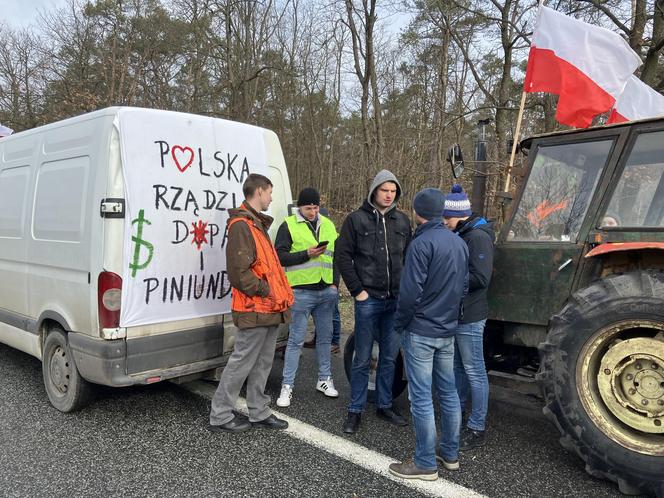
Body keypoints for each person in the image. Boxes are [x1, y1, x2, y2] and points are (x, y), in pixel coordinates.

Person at [389, 188, 469, 480]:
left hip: (421, 330)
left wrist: (401, 323)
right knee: (448, 393)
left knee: (421, 397)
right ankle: (450, 453)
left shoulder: (421, 244)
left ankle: (424, 462)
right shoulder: (458, 243)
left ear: (417, 212)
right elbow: (463, 288)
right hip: (447, 330)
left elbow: (410, 293)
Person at [209, 173, 293, 433]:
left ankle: (259, 411)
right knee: (242, 362)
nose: (271, 197)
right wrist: (267, 290)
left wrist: (275, 295)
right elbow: (239, 273)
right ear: (258, 191)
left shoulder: (256, 224)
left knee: (262, 362)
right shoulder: (242, 225)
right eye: (269, 192)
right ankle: (220, 415)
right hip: (254, 307)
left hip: (268, 307)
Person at [336, 169, 412, 434]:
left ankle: (385, 405)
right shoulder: (355, 221)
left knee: (390, 358)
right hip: (368, 299)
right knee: (362, 357)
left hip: (395, 301)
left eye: (393, 191)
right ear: (374, 191)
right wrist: (358, 290)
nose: (389, 195)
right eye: (385, 190)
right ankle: (355, 410)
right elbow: (342, 256)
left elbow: (409, 259)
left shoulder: (402, 222)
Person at [275, 188, 340, 408]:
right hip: (301, 291)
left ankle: (324, 379)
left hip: (326, 291)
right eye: (308, 208)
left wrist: (335, 284)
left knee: (325, 338)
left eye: (315, 207)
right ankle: (287, 386)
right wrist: (306, 254)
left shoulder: (329, 225)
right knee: (295, 341)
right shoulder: (289, 225)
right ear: (299, 207)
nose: (312, 212)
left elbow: (337, 255)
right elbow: (279, 257)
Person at [443, 184, 495, 451]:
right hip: (459, 314)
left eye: (447, 218)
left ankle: (477, 425)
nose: (444, 223)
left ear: (459, 216)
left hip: (471, 315)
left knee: (474, 370)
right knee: (457, 367)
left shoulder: (477, 237)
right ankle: (458, 411)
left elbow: (481, 277)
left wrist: (450, 281)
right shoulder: (464, 234)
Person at [303, 206, 342, 354]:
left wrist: (335, 283)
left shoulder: (334, 236)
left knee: (334, 313)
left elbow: (337, 261)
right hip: (319, 281)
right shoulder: (313, 235)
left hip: (330, 282)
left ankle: (335, 342)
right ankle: (317, 338)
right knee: (320, 314)